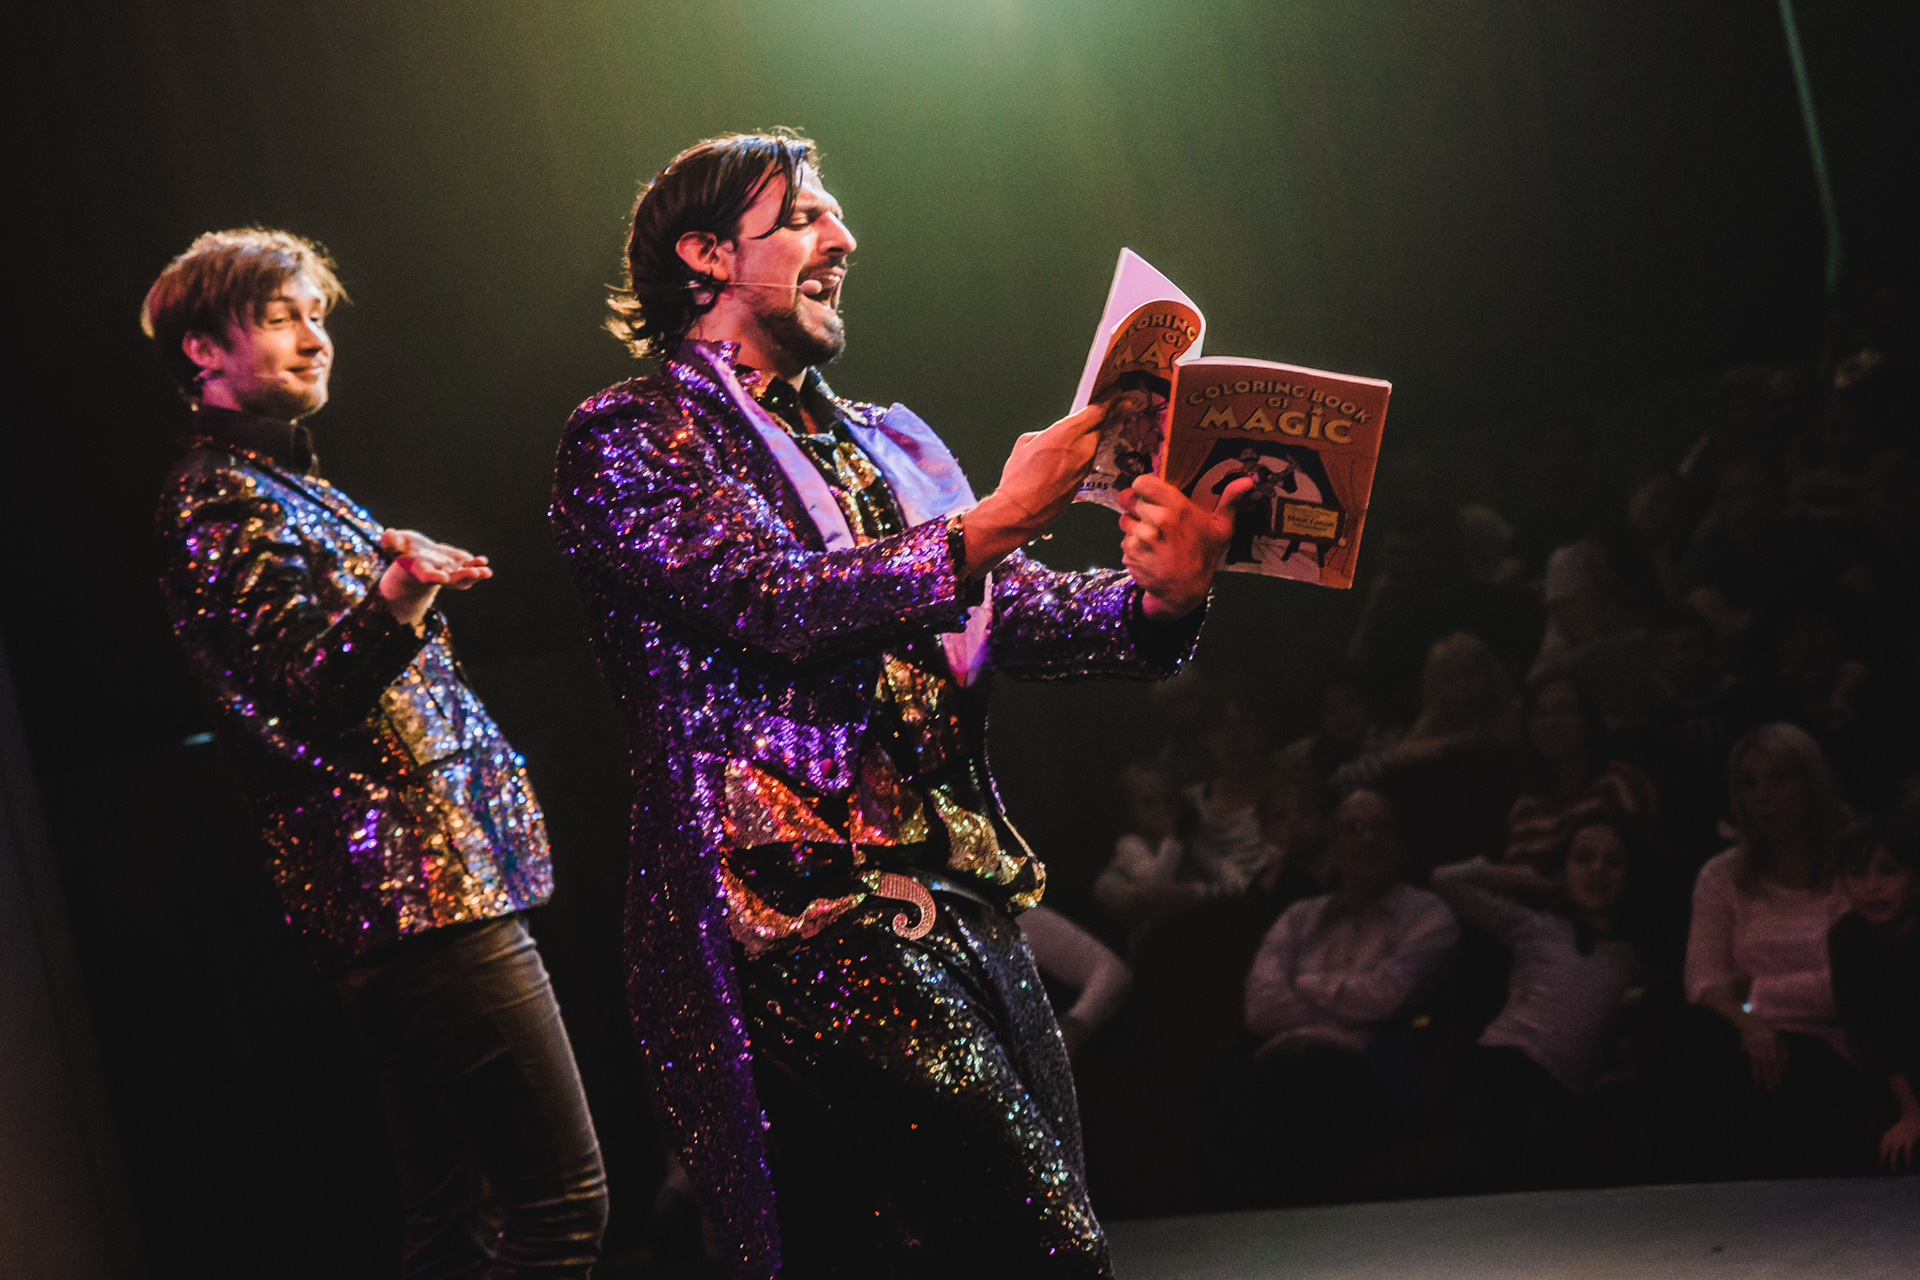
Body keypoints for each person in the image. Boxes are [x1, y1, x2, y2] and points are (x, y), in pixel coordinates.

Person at [549, 132, 1248, 1277]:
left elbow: (1007, 613)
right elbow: (769, 599)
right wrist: (994, 520)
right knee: (1045, 1254)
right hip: (798, 916)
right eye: (804, 217)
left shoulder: (881, 442)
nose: (844, 237)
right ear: (706, 254)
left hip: (963, 901)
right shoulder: (632, 436)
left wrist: (1162, 598)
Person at [146, 229, 607, 1276]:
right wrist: (396, 596)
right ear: (202, 350)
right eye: (281, 318)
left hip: (415, 895)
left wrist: (394, 582)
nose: (316, 338)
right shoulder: (218, 492)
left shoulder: (282, 483)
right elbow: (306, 687)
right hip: (419, 897)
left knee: (453, 1229)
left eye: (318, 316)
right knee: (562, 1208)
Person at [1683, 722, 1873, 1174]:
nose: (1763, 797)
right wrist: (1750, 1023)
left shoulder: (1853, 868)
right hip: (1746, 1039)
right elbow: (1702, 979)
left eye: (1779, 779)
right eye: (1749, 784)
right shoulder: (1721, 875)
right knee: (1680, 1031)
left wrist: (1757, 993)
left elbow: (1849, 983)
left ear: (1812, 783)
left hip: (1830, 1046)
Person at [1431, 814, 1642, 1189]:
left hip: (1562, 1088)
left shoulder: (1634, 957)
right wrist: (1519, 875)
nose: (1598, 869)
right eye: (1583, 858)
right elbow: (1444, 881)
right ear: (1563, 870)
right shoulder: (1535, 926)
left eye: (1613, 861)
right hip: (1501, 1063)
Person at [1828, 816, 1920, 1172]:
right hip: (1898, 1084)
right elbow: (1868, 1031)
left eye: (1889, 872)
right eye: (1857, 874)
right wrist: (1911, 1109)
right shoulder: (1847, 938)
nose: (1872, 887)